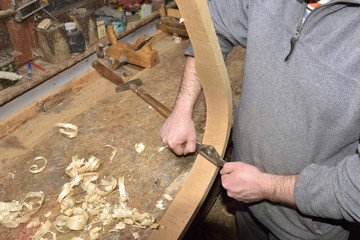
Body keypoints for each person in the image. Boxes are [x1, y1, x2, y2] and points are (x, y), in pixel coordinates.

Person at [160, 0, 360, 239]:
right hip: (243, 196)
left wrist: (264, 186)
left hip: (306, 227)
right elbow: (211, 25)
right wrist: (182, 108)